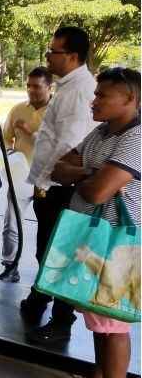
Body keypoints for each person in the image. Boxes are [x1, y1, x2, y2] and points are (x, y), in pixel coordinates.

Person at [50, 67, 140, 378]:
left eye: (102, 95)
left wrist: (89, 177)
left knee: (114, 324)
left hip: (121, 244)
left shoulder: (137, 137)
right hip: (95, 242)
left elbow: (99, 193)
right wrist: (92, 172)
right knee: (100, 319)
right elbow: (58, 169)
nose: (94, 100)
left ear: (129, 98)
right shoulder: (101, 133)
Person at [24, 26, 97, 344]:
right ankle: (39, 299)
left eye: (53, 51)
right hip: (51, 185)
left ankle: (61, 322)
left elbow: (70, 144)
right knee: (47, 249)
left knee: (62, 252)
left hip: (62, 187)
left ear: (72, 56)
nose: (48, 56)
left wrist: (47, 180)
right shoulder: (69, 87)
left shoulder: (79, 90)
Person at [1, 67, 53, 283]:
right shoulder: (17, 109)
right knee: (12, 224)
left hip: (50, 180)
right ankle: (9, 265)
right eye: (29, 86)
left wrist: (31, 132)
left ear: (50, 87)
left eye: (37, 87)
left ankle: (47, 274)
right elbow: (5, 139)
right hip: (20, 176)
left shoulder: (59, 112)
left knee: (48, 228)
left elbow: (61, 143)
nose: (31, 91)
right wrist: (11, 154)